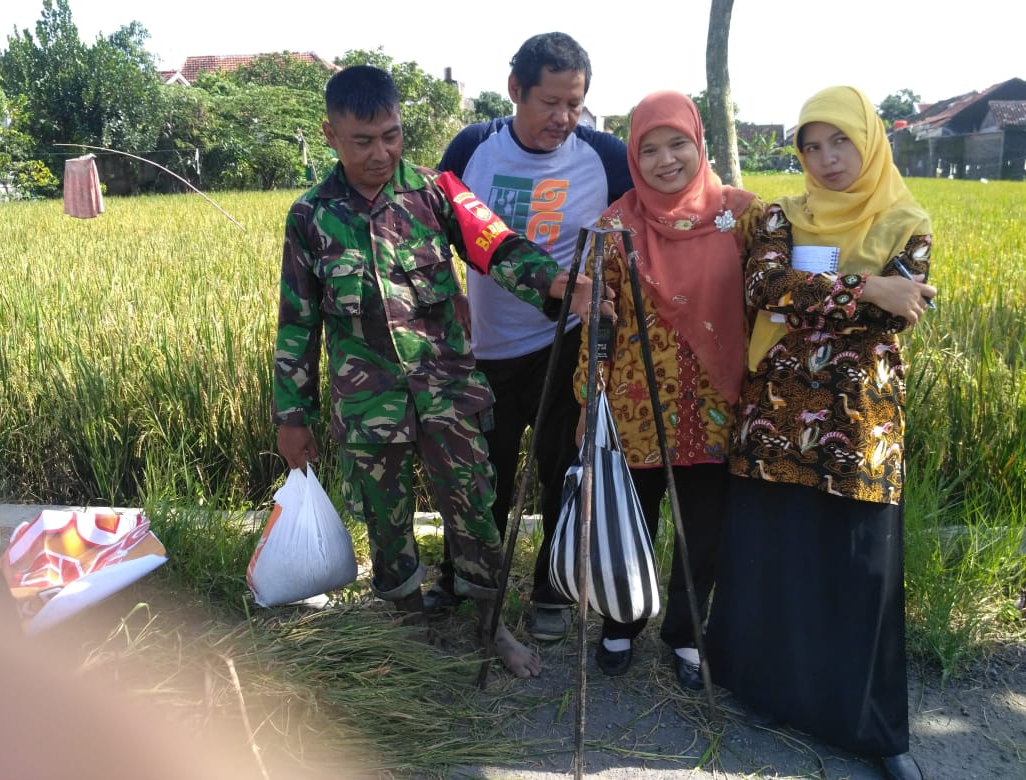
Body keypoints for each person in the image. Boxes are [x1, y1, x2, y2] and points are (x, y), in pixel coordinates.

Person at [272, 65, 604, 679]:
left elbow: (498, 246)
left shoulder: (437, 192)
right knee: (386, 518)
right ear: (330, 135)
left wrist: (559, 284)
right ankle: (408, 620)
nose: (381, 153)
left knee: (476, 508)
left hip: (448, 392)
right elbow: (297, 322)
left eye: (392, 136)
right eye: (363, 141)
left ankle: (490, 623)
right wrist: (293, 415)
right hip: (368, 405)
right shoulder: (310, 216)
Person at [705, 86, 936, 780]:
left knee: (858, 570)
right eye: (812, 145)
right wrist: (867, 288)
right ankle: (770, 692)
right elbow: (767, 290)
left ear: (867, 141)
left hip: (862, 424)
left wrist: (847, 296)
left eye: (840, 142)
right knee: (777, 558)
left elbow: (902, 312)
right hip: (775, 415)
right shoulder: (781, 214)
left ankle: (873, 729)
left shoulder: (907, 218)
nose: (827, 159)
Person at [429, 32, 633, 642]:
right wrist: (451, 294)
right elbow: (434, 228)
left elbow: (654, 217)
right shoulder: (472, 148)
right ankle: (464, 580)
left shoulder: (605, 155)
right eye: (550, 102)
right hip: (486, 347)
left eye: (575, 103)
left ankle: (552, 588)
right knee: (479, 472)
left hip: (565, 342)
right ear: (515, 89)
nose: (564, 119)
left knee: (563, 468)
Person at [569, 91, 763, 684]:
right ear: (632, 155)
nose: (665, 159)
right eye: (648, 148)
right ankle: (621, 622)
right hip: (634, 408)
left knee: (701, 529)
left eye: (677, 143)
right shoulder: (616, 223)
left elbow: (775, 301)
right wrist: (589, 400)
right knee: (630, 521)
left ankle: (685, 632)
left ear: (698, 142)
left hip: (718, 406)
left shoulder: (747, 214)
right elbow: (598, 320)